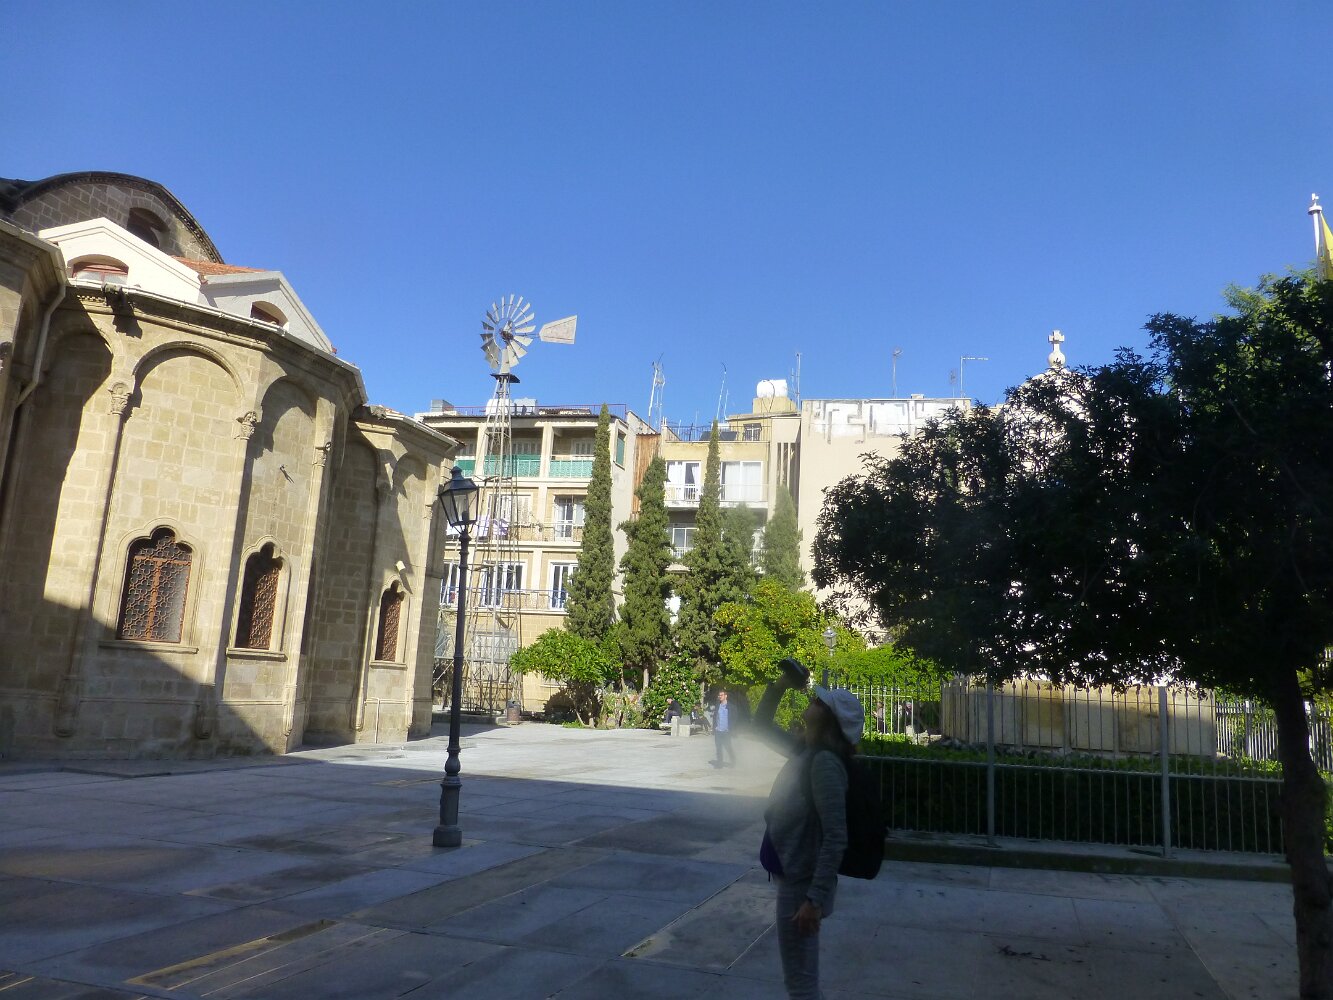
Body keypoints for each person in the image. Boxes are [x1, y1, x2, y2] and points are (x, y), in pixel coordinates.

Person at [753, 658, 865, 1000]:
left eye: (819, 702)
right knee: (801, 980)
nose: (812, 702)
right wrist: (780, 685)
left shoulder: (825, 764)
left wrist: (814, 900)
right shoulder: (807, 750)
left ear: (828, 720)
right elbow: (760, 726)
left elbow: (836, 836)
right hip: (796, 876)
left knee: (801, 985)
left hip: (803, 884)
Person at [711, 689, 736, 767]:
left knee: (728, 747)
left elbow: (734, 718)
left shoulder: (731, 707)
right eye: (719, 695)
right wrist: (714, 728)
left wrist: (731, 728)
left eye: (721, 695)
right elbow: (715, 717)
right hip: (718, 730)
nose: (720, 696)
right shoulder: (718, 706)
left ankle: (733, 761)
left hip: (726, 731)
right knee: (718, 748)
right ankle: (719, 764)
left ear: (726, 696)